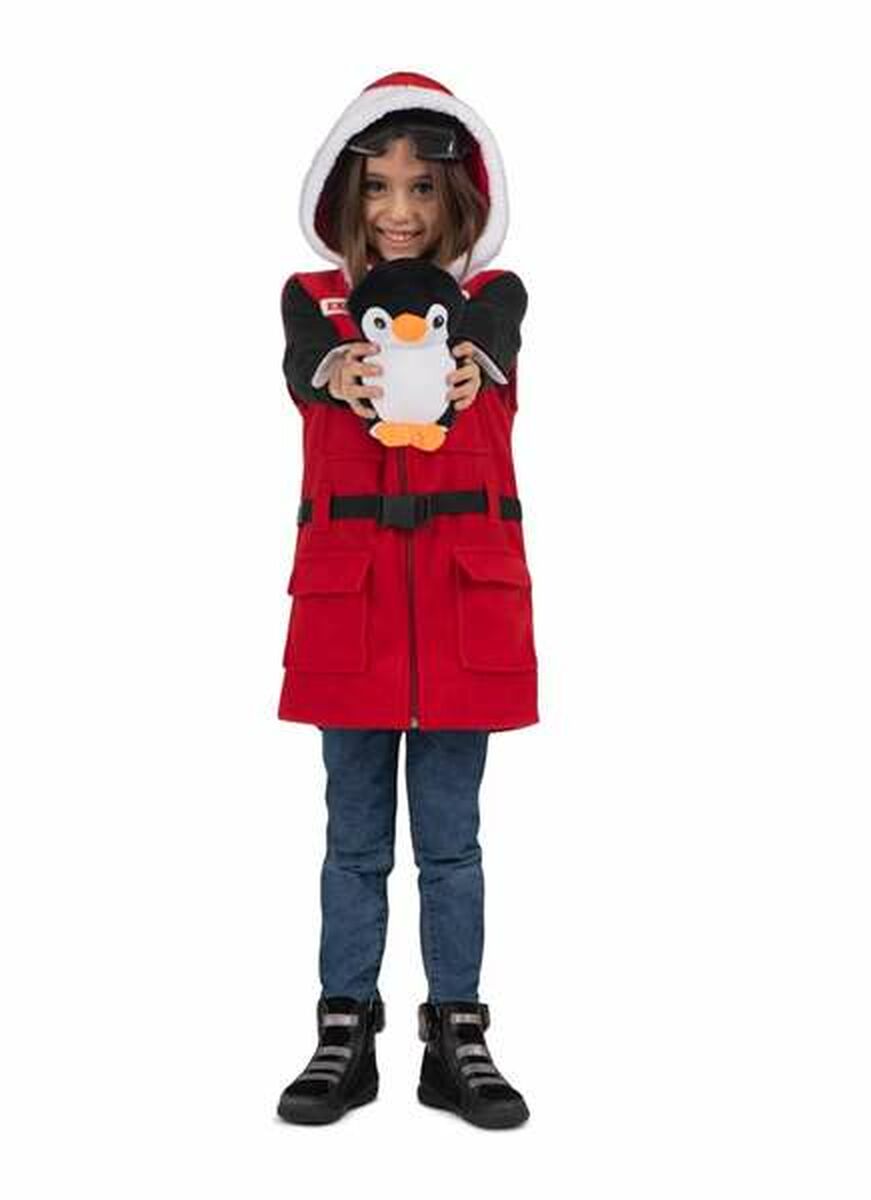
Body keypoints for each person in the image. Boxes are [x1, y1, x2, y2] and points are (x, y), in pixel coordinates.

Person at [275, 71, 537, 1130]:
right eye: (378, 186)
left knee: (452, 846)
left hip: (465, 616)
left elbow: (496, 339)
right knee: (352, 842)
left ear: (458, 197)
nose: (398, 210)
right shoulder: (312, 300)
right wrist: (338, 370)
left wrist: (472, 365)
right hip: (352, 614)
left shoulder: (494, 299)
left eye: (422, 188)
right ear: (345, 195)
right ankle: (344, 1030)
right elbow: (307, 361)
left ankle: (456, 1034)